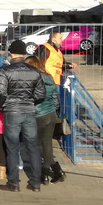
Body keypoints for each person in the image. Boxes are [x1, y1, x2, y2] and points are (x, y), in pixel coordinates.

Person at [0, 40, 46, 192]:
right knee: (33, 147)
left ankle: (14, 183)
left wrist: (4, 105)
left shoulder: (5, 71)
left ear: (11, 53)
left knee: (12, 148)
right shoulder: (34, 71)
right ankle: (36, 183)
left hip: (11, 112)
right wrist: (29, 101)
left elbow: (1, 93)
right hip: (29, 111)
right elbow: (41, 93)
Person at [27, 54, 63, 183]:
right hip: (51, 114)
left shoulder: (33, 80)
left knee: (37, 145)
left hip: (38, 115)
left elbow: (31, 98)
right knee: (47, 145)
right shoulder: (49, 77)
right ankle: (54, 171)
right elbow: (55, 98)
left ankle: (46, 173)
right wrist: (53, 110)